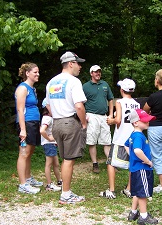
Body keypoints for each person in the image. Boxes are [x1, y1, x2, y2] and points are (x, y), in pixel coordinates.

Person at [45, 51, 87, 204]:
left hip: (56, 123)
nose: (80, 66)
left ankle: (65, 190)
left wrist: (57, 113)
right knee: (69, 160)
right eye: (78, 63)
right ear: (70, 64)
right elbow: (79, 106)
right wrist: (83, 123)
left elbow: (48, 105)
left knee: (65, 159)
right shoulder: (74, 81)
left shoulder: (51, 82)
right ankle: (66, 194)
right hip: (70, 122)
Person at [100, 78, 140, 199]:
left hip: (120, 138)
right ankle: (129, 189)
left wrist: (111, 120)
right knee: (132, 163)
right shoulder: (137, 104)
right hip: (132, 137)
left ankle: (111, 190)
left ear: (122, 90)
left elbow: (118, 120)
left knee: (111, 162)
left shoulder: (119, 102)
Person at [124, 109, 158, 225]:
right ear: (136, 123)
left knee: (138, 192)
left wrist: (132, 156)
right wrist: (147, 161)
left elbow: (126, 145)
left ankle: (133, 212)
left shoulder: (133, 134)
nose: (148, 122)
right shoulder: (139, 136)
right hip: (142, 169)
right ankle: (143, 216)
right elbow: (137, 150)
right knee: (143, 194)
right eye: (145, 121)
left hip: (135, 169)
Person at [15, 62, 42, 194]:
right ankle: (23, 184)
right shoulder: (23, 88)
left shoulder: (32, 89)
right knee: (24, 152)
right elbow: (20, 110)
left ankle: (28, 178)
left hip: (34, 122)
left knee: (30, 152)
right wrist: (23, 129)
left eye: (38, 72)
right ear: (27, 73)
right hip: (26, 123)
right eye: (35, 72)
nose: (38, 74)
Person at [83, 65, 114, 173]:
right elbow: (80, 102)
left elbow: (110, 99)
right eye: (96, 72)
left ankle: (111, 163)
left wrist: (110, 114)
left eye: (99, 72)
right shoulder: (85, 86)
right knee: (92, 141)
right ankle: (95, 164)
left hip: (104, 116)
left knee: (107, 141)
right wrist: (84, 115)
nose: (98, 74)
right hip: (91, 115)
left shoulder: (105, 84)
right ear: (91, 73)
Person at [40, 98, 62, 192]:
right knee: (48, 164)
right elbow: (42, 130)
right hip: (49, 144)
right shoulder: (47, 118)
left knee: (56, 164)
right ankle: (49, 184)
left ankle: (59, 180)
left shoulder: (50, 118)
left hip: (52, 144)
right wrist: (49, 138)